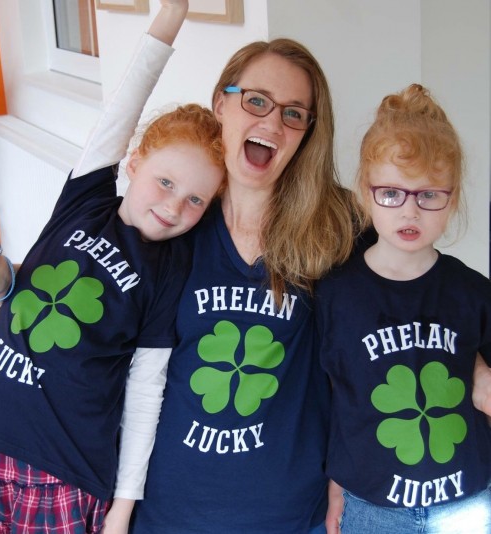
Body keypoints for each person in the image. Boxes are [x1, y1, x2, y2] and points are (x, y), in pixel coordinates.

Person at [0, 2, 226, 532]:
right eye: (165, 182)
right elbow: (126, 100)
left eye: (194, 201)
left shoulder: (168, 271)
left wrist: (123, 507)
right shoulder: (85, 197)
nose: (173, 206)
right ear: (134, 163)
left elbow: (145, 391)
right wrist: (171, 14)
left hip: (64, 474)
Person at [112, 36, 363, 534]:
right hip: (168, 513)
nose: (272, 122)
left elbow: (412, 295)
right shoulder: (171, 218)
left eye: (294, 114)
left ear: (308, 133)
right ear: (220, 104)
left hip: (293, 517)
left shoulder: (339, 229)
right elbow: (82, 306)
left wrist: (475, 364)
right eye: (256, 101)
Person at [315, 83, 491, 533]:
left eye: (430, 195)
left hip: (466, 502)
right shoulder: (335, 294)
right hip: (371, 506)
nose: (410, 212)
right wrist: (334, 483)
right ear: (364, 190)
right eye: (391, 193)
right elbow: (333, 399)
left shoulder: (473, 292)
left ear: (452, 199)